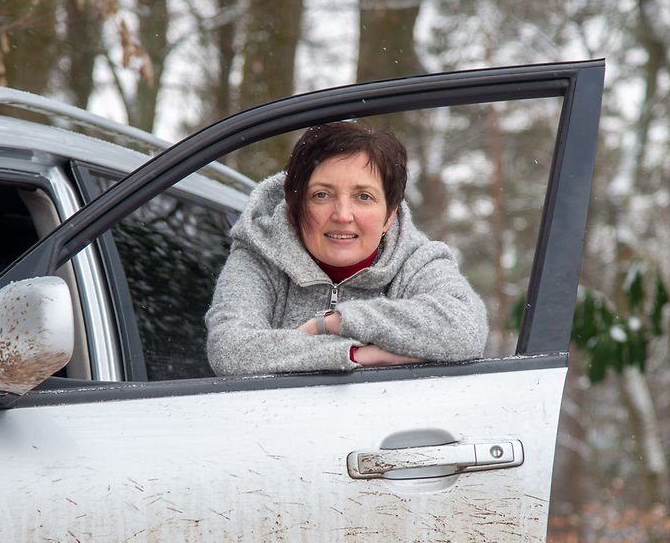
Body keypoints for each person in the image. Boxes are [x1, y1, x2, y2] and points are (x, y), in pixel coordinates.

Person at [205, 121, 488, 376]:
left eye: (363, 197)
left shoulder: (418, 260)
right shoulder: (259, 252)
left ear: (389, 215)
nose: (342, 215)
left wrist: (334, 323)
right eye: (322, 195)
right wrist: (354, 354)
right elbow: (230, 350)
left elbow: (466, 328)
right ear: (294, 206)